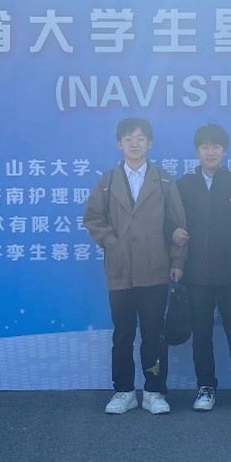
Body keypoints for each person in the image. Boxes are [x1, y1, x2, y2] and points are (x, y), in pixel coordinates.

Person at [83, 117, 187, 415]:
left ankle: (154, 391)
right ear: (119, 143)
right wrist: (112, 243)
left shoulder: (164, 181)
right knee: (123, 334)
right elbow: (93, 219)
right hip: (120, 271)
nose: (135, 143)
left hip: (156, 269)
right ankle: (124, 391)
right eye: (129, 138)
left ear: (150, 143)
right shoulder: (107, 182)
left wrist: (177, 261)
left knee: (154, 335)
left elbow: (179, 224)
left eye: (141, 138)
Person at [173, 123, 231, 412]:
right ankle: (206, 388)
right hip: (196, 276)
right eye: (204, 146)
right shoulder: (184, 185)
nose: (210, 151)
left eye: (215, 146)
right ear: (197, 151)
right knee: (201, 334)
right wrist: (173, 234)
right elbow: (170, 220)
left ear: (224, 151)